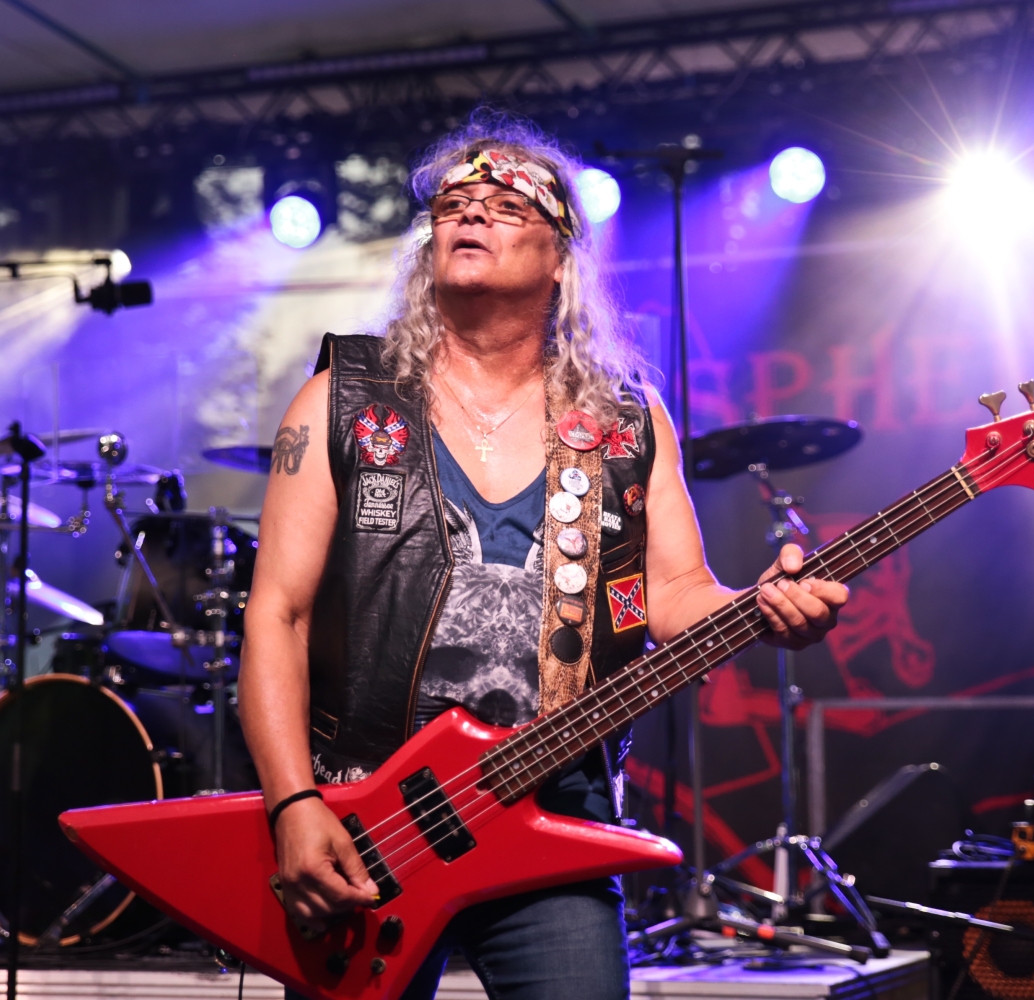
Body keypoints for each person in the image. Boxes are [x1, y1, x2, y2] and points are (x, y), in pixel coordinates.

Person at [237, 111, 849, 1000]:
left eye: (505, 205)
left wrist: (762, 608)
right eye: (454, 203)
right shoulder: (342, 401)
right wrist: (293, 805)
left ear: (561, 256)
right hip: (366, 818)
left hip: (552, 809)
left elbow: (674, 594)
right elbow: (277, 615)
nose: (470, 214)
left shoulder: (626, 422)